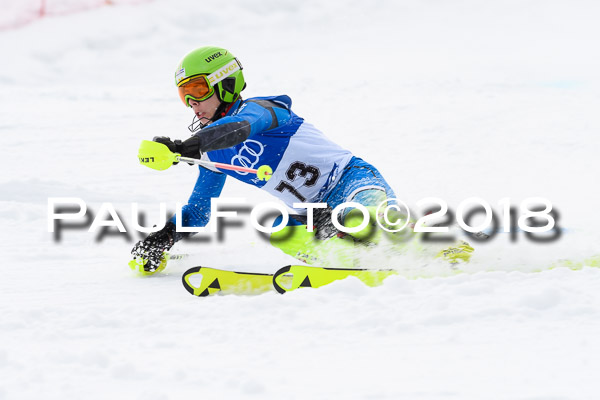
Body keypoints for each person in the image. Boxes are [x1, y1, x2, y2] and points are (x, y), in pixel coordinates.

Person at [130, 46, 473, 274]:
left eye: (198, 90)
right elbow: (200, 210)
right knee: (279, 230)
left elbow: (240, 127)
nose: (192, 102)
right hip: (313, 213)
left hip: (351, 182)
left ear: (226, 83)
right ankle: (360, 259)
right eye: (183, 95)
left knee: (360, 217)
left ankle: (435, 239)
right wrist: (163, 238)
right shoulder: (213, 152)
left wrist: (188, 145)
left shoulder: (265, 109)